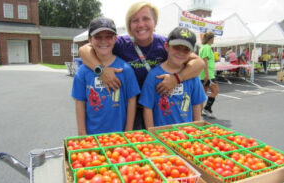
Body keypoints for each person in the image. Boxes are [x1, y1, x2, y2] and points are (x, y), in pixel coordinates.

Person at [78, 1, 204, 130]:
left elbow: (199, 63)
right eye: (135, 20)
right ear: (129, 25)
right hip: (130, 108)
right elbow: (84, 50)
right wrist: (101, 70)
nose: (141, 24)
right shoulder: (121, 43)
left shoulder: (164, 44)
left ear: (155, 22)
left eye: (146, 19)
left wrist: (177, 78)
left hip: (157, 109)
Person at [71, 17, 140, 135]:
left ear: (115, 39)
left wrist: (128, 132)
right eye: (98, 37)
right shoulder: (82, 72)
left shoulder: (125, 69)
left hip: (119, 136)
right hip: (92, 136)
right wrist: (82, 135)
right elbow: (80, 103)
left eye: (108, 36)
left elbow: (131, 100)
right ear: (90, 40)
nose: (103, 41)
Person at [138, 27, 207, 128]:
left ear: (191, 52)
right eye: (177, 47)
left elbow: (196, 105)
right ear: (166, 46)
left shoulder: (193, 76)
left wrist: (196, 131)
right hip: (161, 135)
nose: (181, 52)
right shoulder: (154, 75)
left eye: (186, 49)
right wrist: (152, 133)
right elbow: (147, 108)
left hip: (185, 136)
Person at [199, 32, 219, 119]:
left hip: (205, 74)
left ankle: (200, 112)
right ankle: (207, 109)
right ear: (210, 39)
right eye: (213, 38)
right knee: (215, 91)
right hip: (208, 75)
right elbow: (204, 60)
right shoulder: (207, 47)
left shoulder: (204, 47)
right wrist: (207, 74)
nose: (214, 39)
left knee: (203, 94)